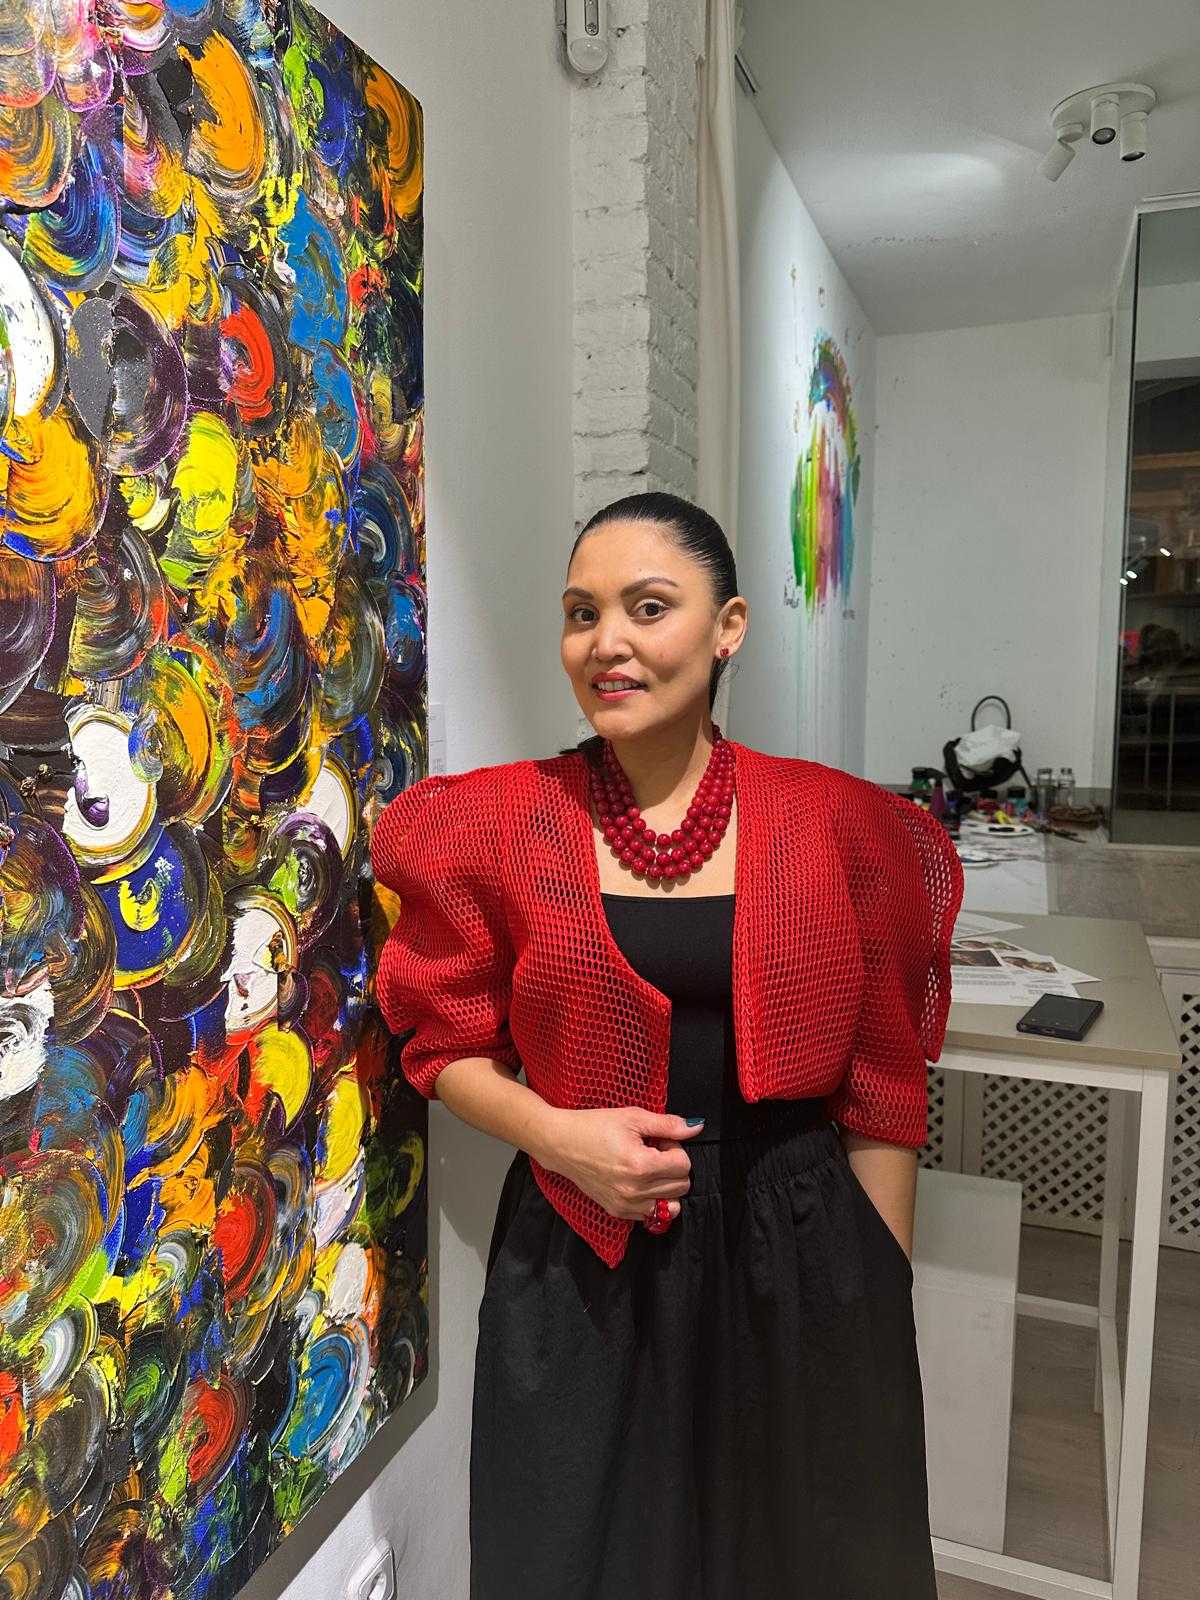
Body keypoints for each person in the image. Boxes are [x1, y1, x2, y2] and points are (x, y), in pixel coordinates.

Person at [371, 491, 965, 1599]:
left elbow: (885, 1080)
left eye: (649, 607)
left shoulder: (839, 823)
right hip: (581, 1260)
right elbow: (438, 1045)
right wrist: (558, 1137)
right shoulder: (495, 824)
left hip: (801, 1256)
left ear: (728, 627)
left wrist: (876, 1285)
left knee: (811, 1560)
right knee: (577, 1560)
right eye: (581, 613)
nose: (608, 642)